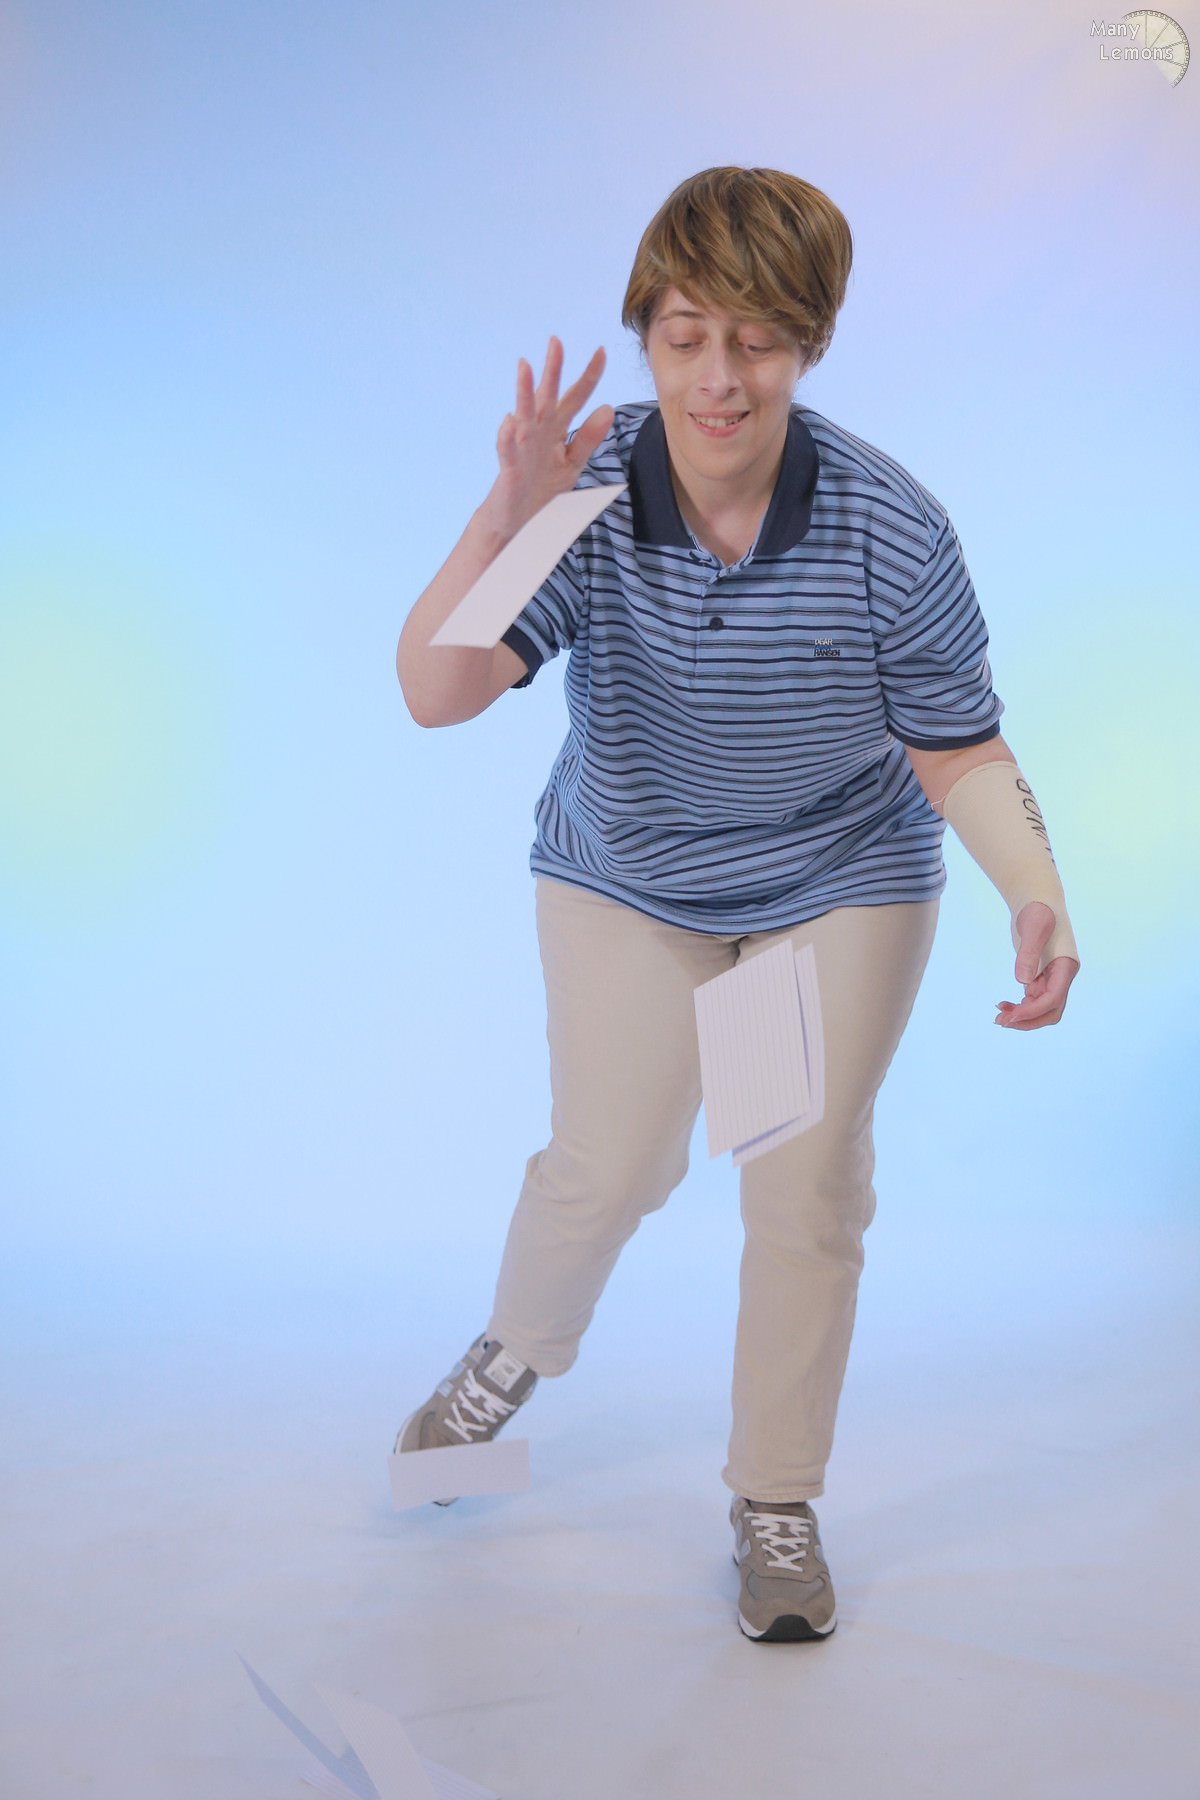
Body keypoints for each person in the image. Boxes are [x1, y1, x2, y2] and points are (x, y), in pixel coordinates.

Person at [393, 166, 1079, 1643]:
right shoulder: (583, 495)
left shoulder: (891, 525)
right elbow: (438, 695)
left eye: (758, 340)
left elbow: (957, 747)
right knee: (615, 1165)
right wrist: (504, 517)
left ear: (810, 344)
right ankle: (510, 1356)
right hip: (632, 885)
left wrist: (1036, 890)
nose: (719, 377)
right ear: (646, 336)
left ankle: (774, 1501)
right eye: (687, 336)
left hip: (822, 898)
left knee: (796, 1176)